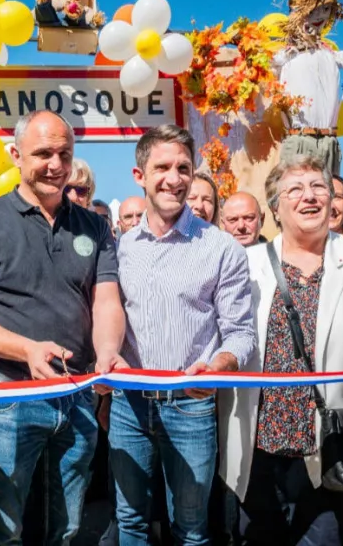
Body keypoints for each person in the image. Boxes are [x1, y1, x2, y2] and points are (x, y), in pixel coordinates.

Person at [0, 110, 127, 546]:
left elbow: (106, 300)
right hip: (8, 396)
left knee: (65, 529)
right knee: (4, 529)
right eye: (43, 153)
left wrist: (106, 351)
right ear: (15, 155)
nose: (55, 164)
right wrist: (27, 350)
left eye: (64, 153)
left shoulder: (95, 226)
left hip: (77, 393)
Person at [217, 153, 343, 545]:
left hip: (333, 445)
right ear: (275, 207)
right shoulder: (246, 262)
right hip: (260, 446)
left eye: (318, 187)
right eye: (295, 189)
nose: (310, 197)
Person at [113, 125, 256, 545]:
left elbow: (240, 333)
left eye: (183, 168)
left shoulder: (221, 248)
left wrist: (217, 367)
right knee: (130, 522)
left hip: (191, 408)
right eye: (162, 167)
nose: (173, 178)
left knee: (192, 529)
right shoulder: (120, 247)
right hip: (129, 406)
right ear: (140, 176)